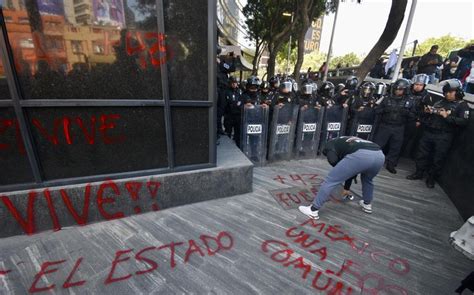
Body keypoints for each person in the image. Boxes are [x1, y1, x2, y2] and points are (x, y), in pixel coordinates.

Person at [298, 136, 385, 219]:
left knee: (330, 180)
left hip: (361, 155)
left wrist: (345, 176)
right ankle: (367, 204)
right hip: (379, 155)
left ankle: (313, 210)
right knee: (368, 180)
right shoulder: (345, 140)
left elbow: (334, 162)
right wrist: (347, 185)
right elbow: (349, 172)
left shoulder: (329, 146)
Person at [406, 79, 469, 188]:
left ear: (457, 92)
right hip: (430, 131)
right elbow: (431, 115)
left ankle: (431, 178)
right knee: (422, 153)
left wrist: (447, 117)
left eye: (450, 92)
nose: (448, 94)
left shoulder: (462, 105)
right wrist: (429, 112)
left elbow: (463, 121)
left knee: (438, 158)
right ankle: (419, 172)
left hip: (444, 135)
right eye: (446, 92)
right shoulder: (440, 102)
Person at [373, 78, 415, 174]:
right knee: (378, 145)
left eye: (400, 89)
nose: (398, 91)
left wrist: (407, 113)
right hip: (385, 125)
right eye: (397, 89)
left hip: (399, 127)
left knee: (396, 147)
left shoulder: (410, 101)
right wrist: (384, 110)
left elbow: (413, 116)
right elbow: (377, 110)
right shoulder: (386, 98)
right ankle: (373, 161)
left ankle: (391, 164)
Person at [224, 76, 242, 147]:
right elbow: (227, 103)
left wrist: (236, 103)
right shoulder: (226, 91)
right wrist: (235, 103)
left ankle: (238, 147)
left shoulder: (239, 91)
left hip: (237, 115)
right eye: (233, 83)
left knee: (237, 133)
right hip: (229, 115)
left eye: (235, 83)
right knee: (228, 131)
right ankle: (228, 147)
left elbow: (241, 101)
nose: (234, 84)